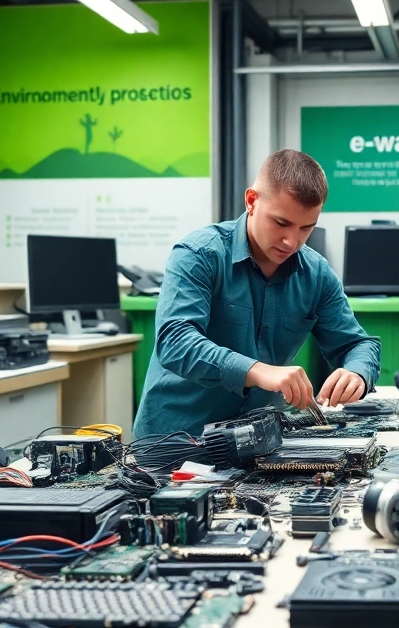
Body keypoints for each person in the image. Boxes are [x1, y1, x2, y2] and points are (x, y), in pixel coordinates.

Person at [133, 149, 381, 438]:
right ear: (251, 201)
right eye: (281, 223)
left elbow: (358, 344)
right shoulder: (199, 254)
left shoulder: (316, 274)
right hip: (176, 444)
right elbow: (175, 342)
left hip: (259, 444)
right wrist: (257, 371)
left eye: (306, 228)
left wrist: (357, 373)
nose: (292, 241)